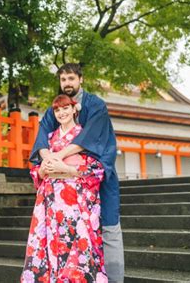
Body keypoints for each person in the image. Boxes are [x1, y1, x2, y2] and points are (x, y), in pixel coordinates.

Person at [30, 63, 124, 283]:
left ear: (81, 79)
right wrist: (49, 160)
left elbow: (89, 139)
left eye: (71, 78)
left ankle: (115, 279)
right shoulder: (57, 108)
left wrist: (60, 157)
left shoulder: (96, 105)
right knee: (63, 233)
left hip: (95, 174)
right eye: (63, 80)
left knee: (108, 226)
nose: (67, 83)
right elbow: (42, 138)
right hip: (62, 189)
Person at [21, 94, 107, 283]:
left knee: (76, 242)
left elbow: (97, 170)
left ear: (74, 109)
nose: (62, 113)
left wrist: (67, 169)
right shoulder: (49, 139)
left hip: (75, 197)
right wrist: (42, 170)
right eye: (57, 110)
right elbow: (36, 171)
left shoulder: (84, 136)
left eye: (65, 108)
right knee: (51, 242)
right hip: (51, 199)